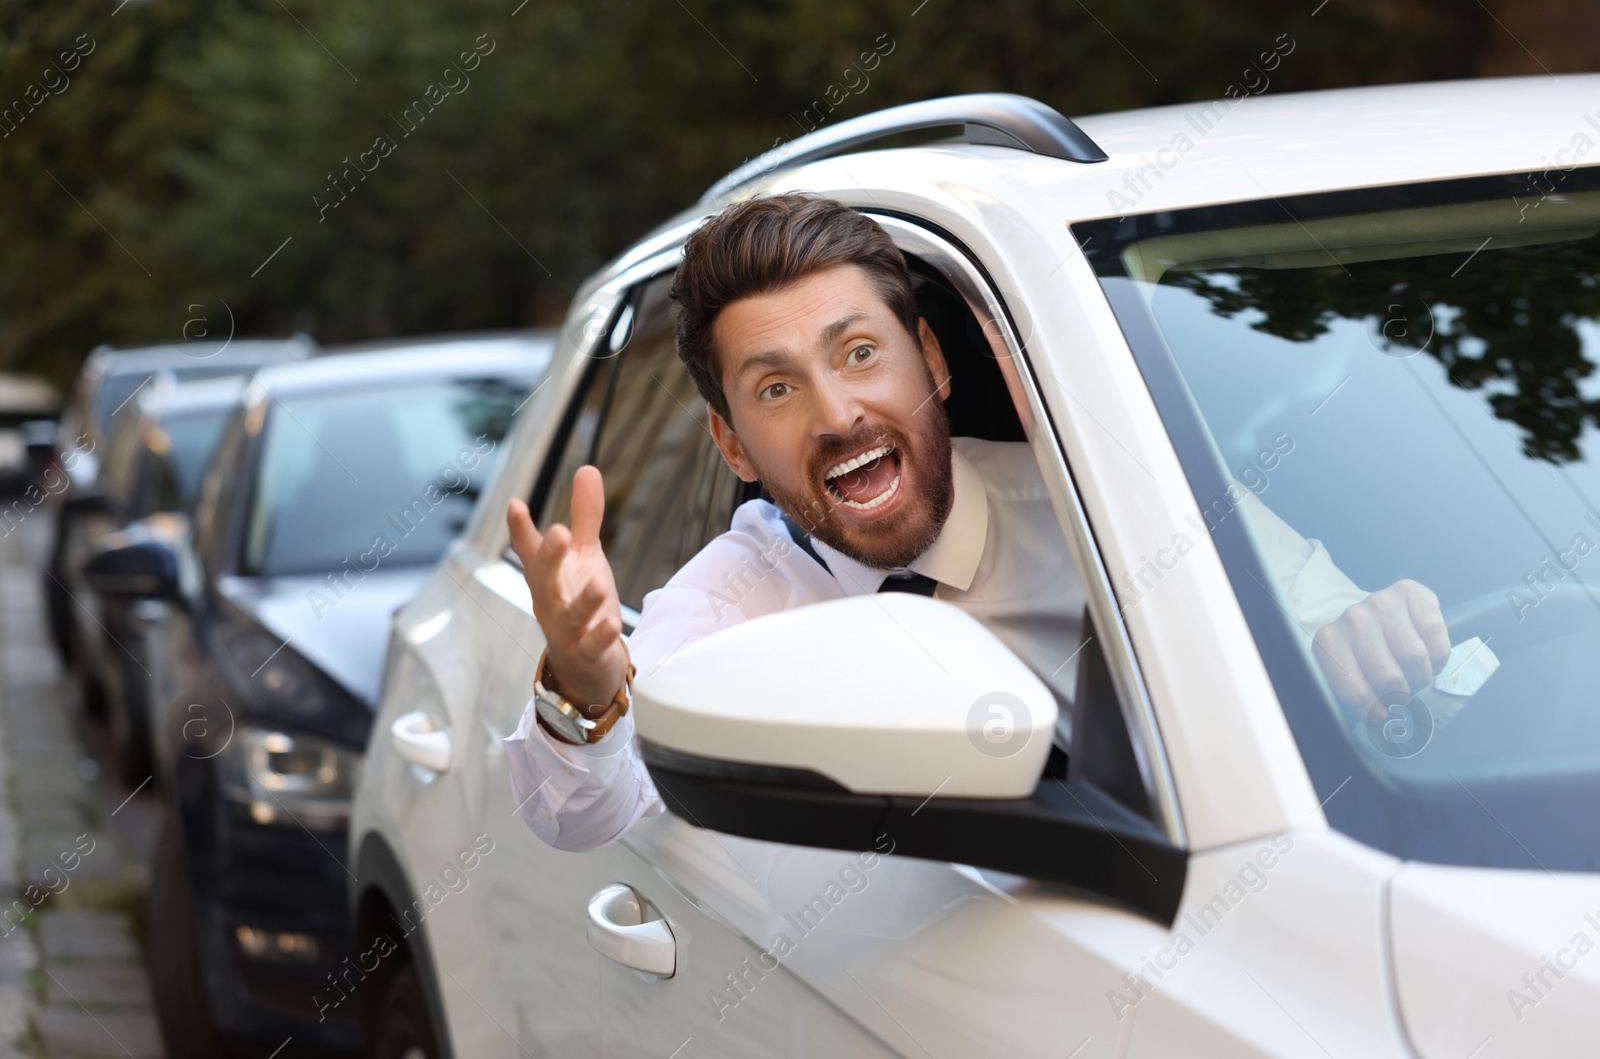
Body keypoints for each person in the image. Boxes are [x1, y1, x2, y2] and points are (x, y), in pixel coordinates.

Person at [502, 194, 1451, 852]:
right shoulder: (731, 600)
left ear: (932, 363)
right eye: (778, 387)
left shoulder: (1111, 499)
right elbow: (593, 814)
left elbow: (1381, 655)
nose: (837, 416)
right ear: (733, 445)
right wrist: (583, 688)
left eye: (862, 352)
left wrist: (1383, 642)